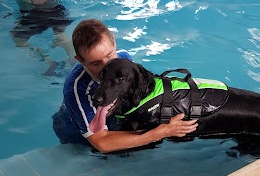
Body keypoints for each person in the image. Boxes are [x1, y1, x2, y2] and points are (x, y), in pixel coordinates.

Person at [52, 19, 198, 153]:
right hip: (75, 129)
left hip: (109, 111)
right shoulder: (76, 89)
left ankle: (63, 42)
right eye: (96, 63)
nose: (106, 68)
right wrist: (161, 132)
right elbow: (101, 143)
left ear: (114, 43)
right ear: (81, 61)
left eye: (109, 55)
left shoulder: (123, 59)